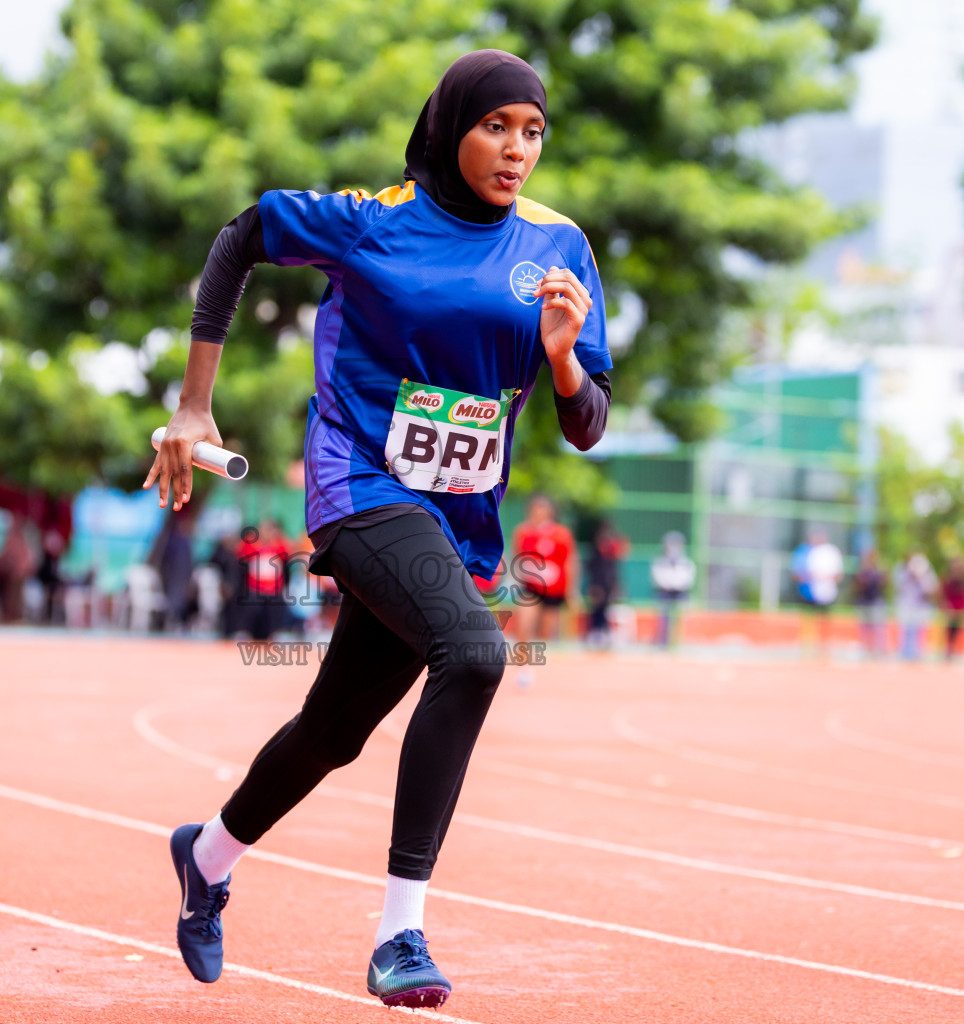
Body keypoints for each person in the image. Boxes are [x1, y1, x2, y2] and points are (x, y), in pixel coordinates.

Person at [145, 50, 610, 1007]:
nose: (517, 150)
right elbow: (239, 236)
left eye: (533, 132)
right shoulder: (375, 221)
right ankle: (401, 933)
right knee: (477, 654)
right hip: (355, 483)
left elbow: (587, 422)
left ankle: (210, 854)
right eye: (496, 128)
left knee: (333, 729)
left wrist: (563, 364)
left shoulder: (559, 249)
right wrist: (194, 405)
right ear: (451, 129)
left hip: (454, 518)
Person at [510, 494, 577, 688]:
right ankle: (522, 668)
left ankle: (535, 665)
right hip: (530, 588)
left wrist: (571, 590)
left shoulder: (561, 534)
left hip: (554, 590)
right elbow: (517, 557)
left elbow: (570, 561)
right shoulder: (522, 532)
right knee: (524, 625)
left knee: (545, 631)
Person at [235, 520, 292, 640]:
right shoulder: (252, 544)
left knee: (274, 611)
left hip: (274, 588)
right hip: (254, 587)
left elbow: (288, 554)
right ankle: (247, 632)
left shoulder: (279, 545)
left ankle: (275, 632)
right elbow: (240, 553)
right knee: (251, 610)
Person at [792, 529, 843, 657]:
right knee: (808, 619)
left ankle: (824, 648)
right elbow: (797, 573)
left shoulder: (830, 552)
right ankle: (808, 648)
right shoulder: (805, 551)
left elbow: (838, 574)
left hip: (826, 593)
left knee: (825, 620)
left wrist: (827, 578)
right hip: (808, 592)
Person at [584, 520, 630, 647]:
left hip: (608, 585)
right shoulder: (595, 552)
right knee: (597, 610)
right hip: (598, 585)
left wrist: (616, 585)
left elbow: (618, 565)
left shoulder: (611, 553)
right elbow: (592, 570)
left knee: (607, 610)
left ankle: (605, 634)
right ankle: (595, 633)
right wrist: (594, 586)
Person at [650, 530, 695, 648]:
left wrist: (676, 585)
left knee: (681, 617)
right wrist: (669, 584)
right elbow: (658, 578)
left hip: (680, 593)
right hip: (665, 592)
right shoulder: (660, 562)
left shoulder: (686, 563)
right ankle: (663, 642)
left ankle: (679, 642)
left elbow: (687, 579)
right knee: (664, 616)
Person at [892, 552, 938, 661]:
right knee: (906, 630)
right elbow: (898, 585)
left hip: (921, 607)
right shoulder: (904, 573)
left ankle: (918, 653)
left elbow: (931, 590)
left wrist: (921, 578)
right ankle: (905, 653)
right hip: (907, 606)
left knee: (920, 631)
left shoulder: (927, 574)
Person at [852, 549, 887, 658]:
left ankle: (878, 651)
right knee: (865, 628)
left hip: (876, 601)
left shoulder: (878, 570)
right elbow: (858, 585)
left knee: (878, 628)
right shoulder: (863, 571)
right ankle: (866, 650)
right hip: (865, 601)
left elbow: (884, 582)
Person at [940, 558, 964, 661]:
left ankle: (957, 650)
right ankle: (948, 650)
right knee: (949, 630)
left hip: (960, 608)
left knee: (959, 630)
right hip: (951, 608)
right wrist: (945, 606)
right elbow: (943, 594)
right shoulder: (948, 579)